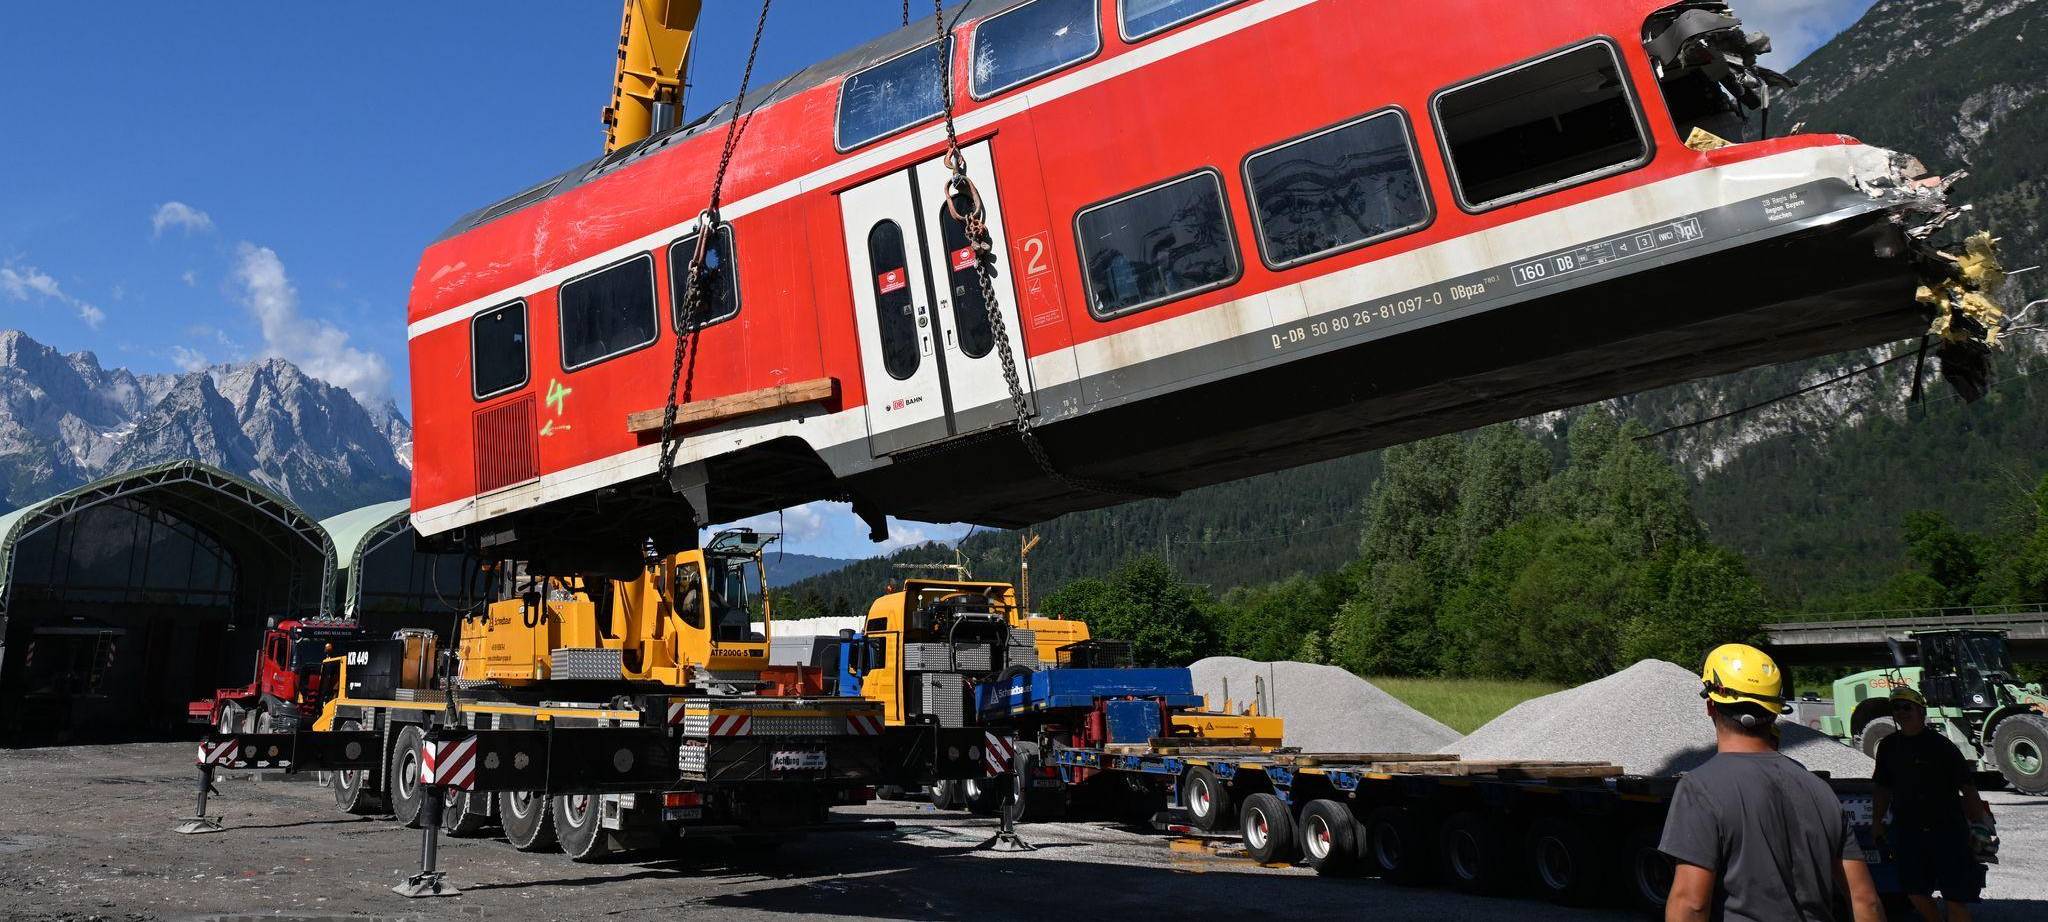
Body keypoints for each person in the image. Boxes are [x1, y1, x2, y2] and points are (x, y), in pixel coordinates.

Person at [1661, 643, 1884, 922]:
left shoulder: (1700, 788)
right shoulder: (1819, 790)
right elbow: (1865, 901)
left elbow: (1691, 905)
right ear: (1775, 711)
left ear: (1710, 706)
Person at [1872, 686, 1990, 922]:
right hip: (1908, 831)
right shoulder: (1888, 746)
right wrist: (1877, 821)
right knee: (1914, 890)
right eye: (1896, 708)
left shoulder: (1942, 747)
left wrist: (1980, 826)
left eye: (1907, 707)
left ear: (1921, 711)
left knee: (1955, 896)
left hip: (1947, 831)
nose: (1901, 712)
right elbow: (1882, 788)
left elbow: (1968, 788)